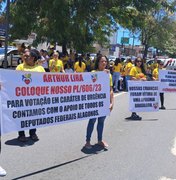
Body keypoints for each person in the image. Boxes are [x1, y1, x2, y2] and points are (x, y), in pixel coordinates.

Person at [84, 55, 114, 149]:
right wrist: (101, 74)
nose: (104, 63)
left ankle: (99, 140)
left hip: (104, 102)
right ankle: (87, 141)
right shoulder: (93, 72)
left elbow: (110, 89)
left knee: (101, 121)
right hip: (94, 102)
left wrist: (112, 102)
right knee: (92, 121)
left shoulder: (109, 75)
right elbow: (92, 82)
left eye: (105, 61)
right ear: (98, 62)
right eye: (101, 61)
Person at [16, 49, 45, 142]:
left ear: (33, 58)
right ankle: (21, 134)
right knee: (21, 116)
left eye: (27, 56)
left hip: (35, 97)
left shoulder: (40, 68)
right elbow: (14, 80)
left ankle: (33, 133)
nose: (24, 57)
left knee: (33, 116)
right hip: (22, 97)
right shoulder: (20, 67)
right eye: (24, 56)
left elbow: (45, 81)